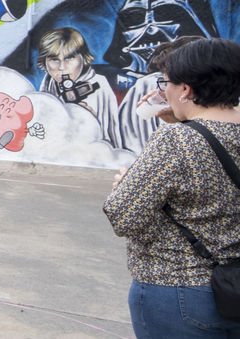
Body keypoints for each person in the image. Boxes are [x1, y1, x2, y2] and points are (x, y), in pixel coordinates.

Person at [104, 38, 240, 338]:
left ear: (185, 89)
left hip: (178, 291)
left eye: (166, 82)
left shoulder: (177, 141)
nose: (162, 90)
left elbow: (123, 215)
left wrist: (127, 187)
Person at [36, 27, 120, 145]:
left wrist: (91, 121)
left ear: (83, 58)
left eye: (69, 58)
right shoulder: (49, 81)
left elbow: (110, 135)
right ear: (44, 61)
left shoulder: (99, 85)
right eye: (54, 60)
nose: (62, 67)